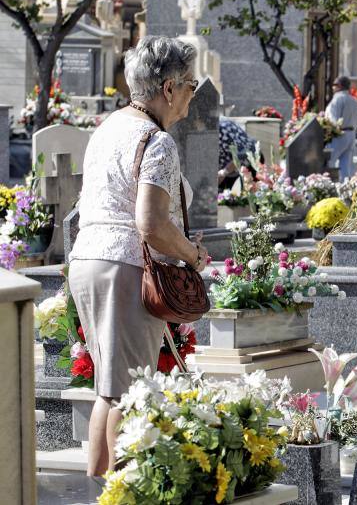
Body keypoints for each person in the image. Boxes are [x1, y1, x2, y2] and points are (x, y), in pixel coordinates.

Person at [68, 36, 209, 476]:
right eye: (189, 84)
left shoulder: (108, 127)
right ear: (168, 88)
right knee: (129, 394)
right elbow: (151, 224)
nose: (191, 94)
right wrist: (194, 255)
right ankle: (124, 491)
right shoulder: (158, 140)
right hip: (126, 266)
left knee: (108, 391)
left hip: (88, 260)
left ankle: (97, 491)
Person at [325, 75, 357, 179]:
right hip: (351, 134)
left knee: (328, 162)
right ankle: (345, 188)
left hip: (339, 134)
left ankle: (327, 185)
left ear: (339, 86)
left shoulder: (337, 99)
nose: (332, 87)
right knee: (345, 165)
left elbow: (331, 118)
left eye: (334, 85)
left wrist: (330, 132)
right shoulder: (353, 100)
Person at [218, 116, 258, 189]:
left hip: (246, 168)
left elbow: (241, 155)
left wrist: (223, 172)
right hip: (229, 171)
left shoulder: (224, 129)